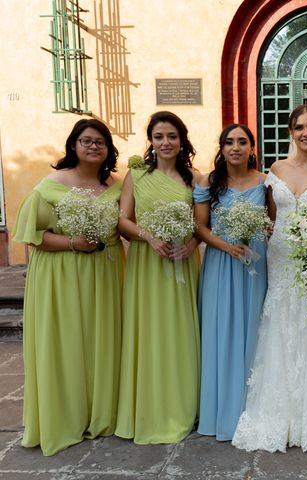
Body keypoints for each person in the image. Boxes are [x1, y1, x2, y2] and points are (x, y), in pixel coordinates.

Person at [232, 104, 307, 456]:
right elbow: (270, 219)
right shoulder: (276, 170)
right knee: (279, 327)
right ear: (290, 132)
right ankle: (277, 413)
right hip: (280, 261)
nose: (306, 132)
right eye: (299, 127)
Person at [13, 119, 123, 455]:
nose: (93, 147)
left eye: (100, 142)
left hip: (105, 275)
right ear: (73, 145)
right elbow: (33, 235)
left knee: (101, 341)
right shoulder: (50, 185)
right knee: (66, 342)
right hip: (60, 275)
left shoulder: (115, 186)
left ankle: (100, 412)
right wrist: (73, 243)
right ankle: (65, 415)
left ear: (108, 149)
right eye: (86, 141)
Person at [115, 111, 200, 444]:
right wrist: (148, 237)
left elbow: (200, 224)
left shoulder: (195, 178)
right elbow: (123, 220)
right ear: (150, 140)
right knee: (149, 332)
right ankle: (149, 409)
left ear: (182, 140)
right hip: (146, 264)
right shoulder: (135, 175)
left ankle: (181, 406)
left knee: (178, 332)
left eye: (172, 136)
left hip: (181, 262)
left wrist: (190, 244)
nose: (166, 142)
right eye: (159, 136)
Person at [194, 124, 268, 440]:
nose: (235, 147)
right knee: (221, 330)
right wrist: (226, 245)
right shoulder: (208, 183)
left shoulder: (266, 183)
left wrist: (256, 234)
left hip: (255, 264)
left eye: (242, 142)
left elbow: (273, 224)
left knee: (254, 331)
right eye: (229, 142)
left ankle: (254, 409)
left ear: (252, 148)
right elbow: (199, 227)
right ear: (221, 148)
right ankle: (221, 409)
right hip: (221, 263)